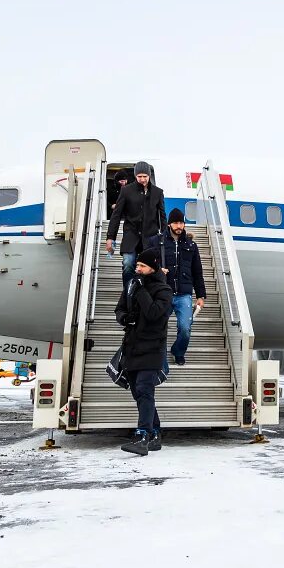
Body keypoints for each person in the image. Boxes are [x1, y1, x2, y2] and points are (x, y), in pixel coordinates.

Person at [114, 247, 173, 456]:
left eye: (142, 266)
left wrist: (140, 292)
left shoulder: (164, 291)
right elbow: (119, 308)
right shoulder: (132, 284)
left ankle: (142, 437)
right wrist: (123, 318)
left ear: (152, 268)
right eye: (137, 265)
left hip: (152, 348)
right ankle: (155, 433)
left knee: (145, 390)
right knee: (139, 394)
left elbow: (154, 314)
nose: (137, 268)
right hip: (132, 347)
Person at [106, 161, 165, 289]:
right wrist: (111, 237)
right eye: (139, 176)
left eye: (145, 176)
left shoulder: (158, 193)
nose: (142, 179)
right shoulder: (126, 191)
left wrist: (164, 236)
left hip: (150, 237)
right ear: (135, 176)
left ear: (149, 176)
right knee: (128, 263)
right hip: (131, 236)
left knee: (149, 268)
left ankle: (145, 293)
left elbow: (162, 216)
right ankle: (128, 293)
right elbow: (116, 215)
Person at [160, 208, 206, 366]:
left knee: (185, 328)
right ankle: (158, 355)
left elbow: (197, 272)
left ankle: (178, 351)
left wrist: (201, 296)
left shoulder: (191, 245)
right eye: (176, 223)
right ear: (169, 224)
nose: (179, 226)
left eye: (181, 222)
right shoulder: (158, 242)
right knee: (158, 326)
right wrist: (158, 270)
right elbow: (147, 264)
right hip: (163, 293)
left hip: (184, 294)